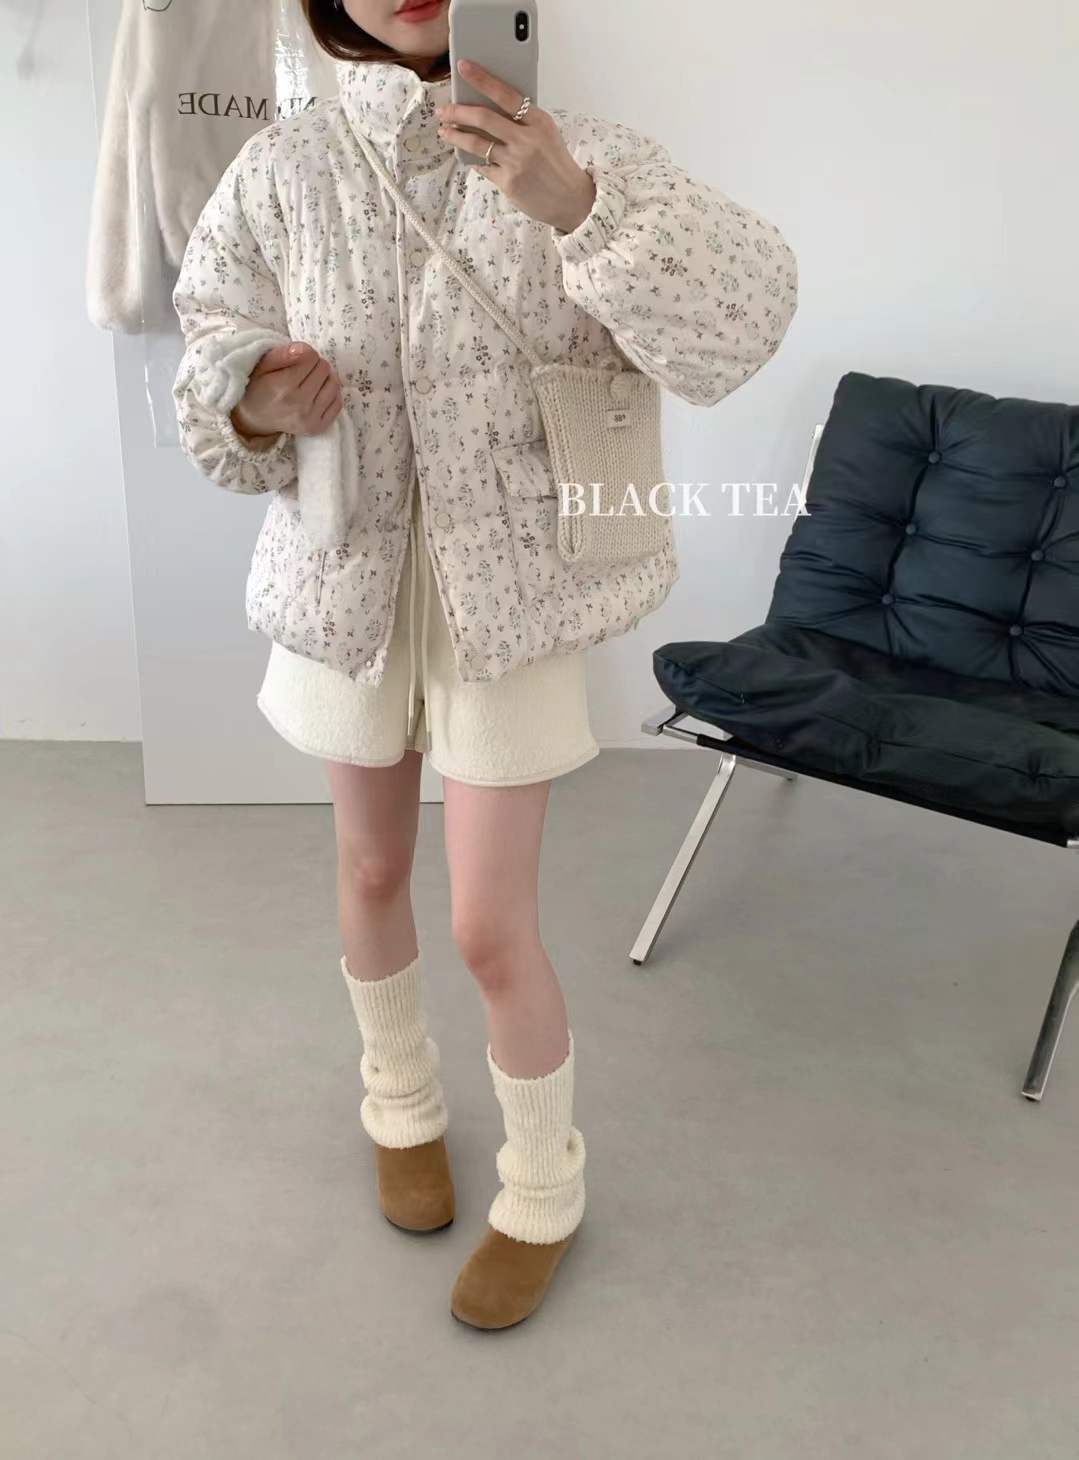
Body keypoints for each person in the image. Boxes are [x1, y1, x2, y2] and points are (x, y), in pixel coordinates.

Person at [171, 0, 798, 1330]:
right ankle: (398, 1105)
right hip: (345, 573)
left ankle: (544, 1187)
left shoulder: (584, 154)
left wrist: (580, 209)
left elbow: (743, 325)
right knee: (369, 870)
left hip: (512, 594)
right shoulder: (284, 166)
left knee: (486, 922)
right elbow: (208, 339)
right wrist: (253, 399)